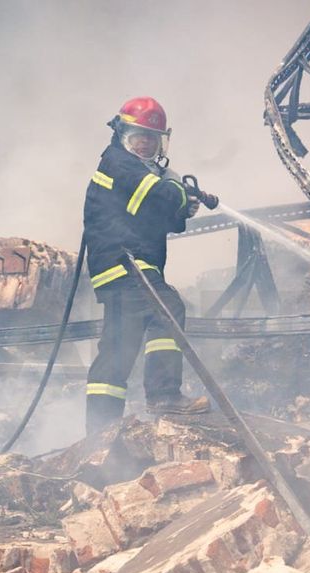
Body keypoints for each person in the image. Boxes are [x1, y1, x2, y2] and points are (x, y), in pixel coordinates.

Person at [83, 96, 211, 436]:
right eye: (139, 136)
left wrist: (180, 207)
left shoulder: (137, 169)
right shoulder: (118, 162)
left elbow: (153, 215)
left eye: (151, 139)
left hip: (124, 268)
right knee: (168, 307)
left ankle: (100, 431)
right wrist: (180, 196)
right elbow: (157, 197)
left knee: (117, 351)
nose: (145, 143)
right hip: (127, 264)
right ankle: (164, 395)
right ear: (123, 134)